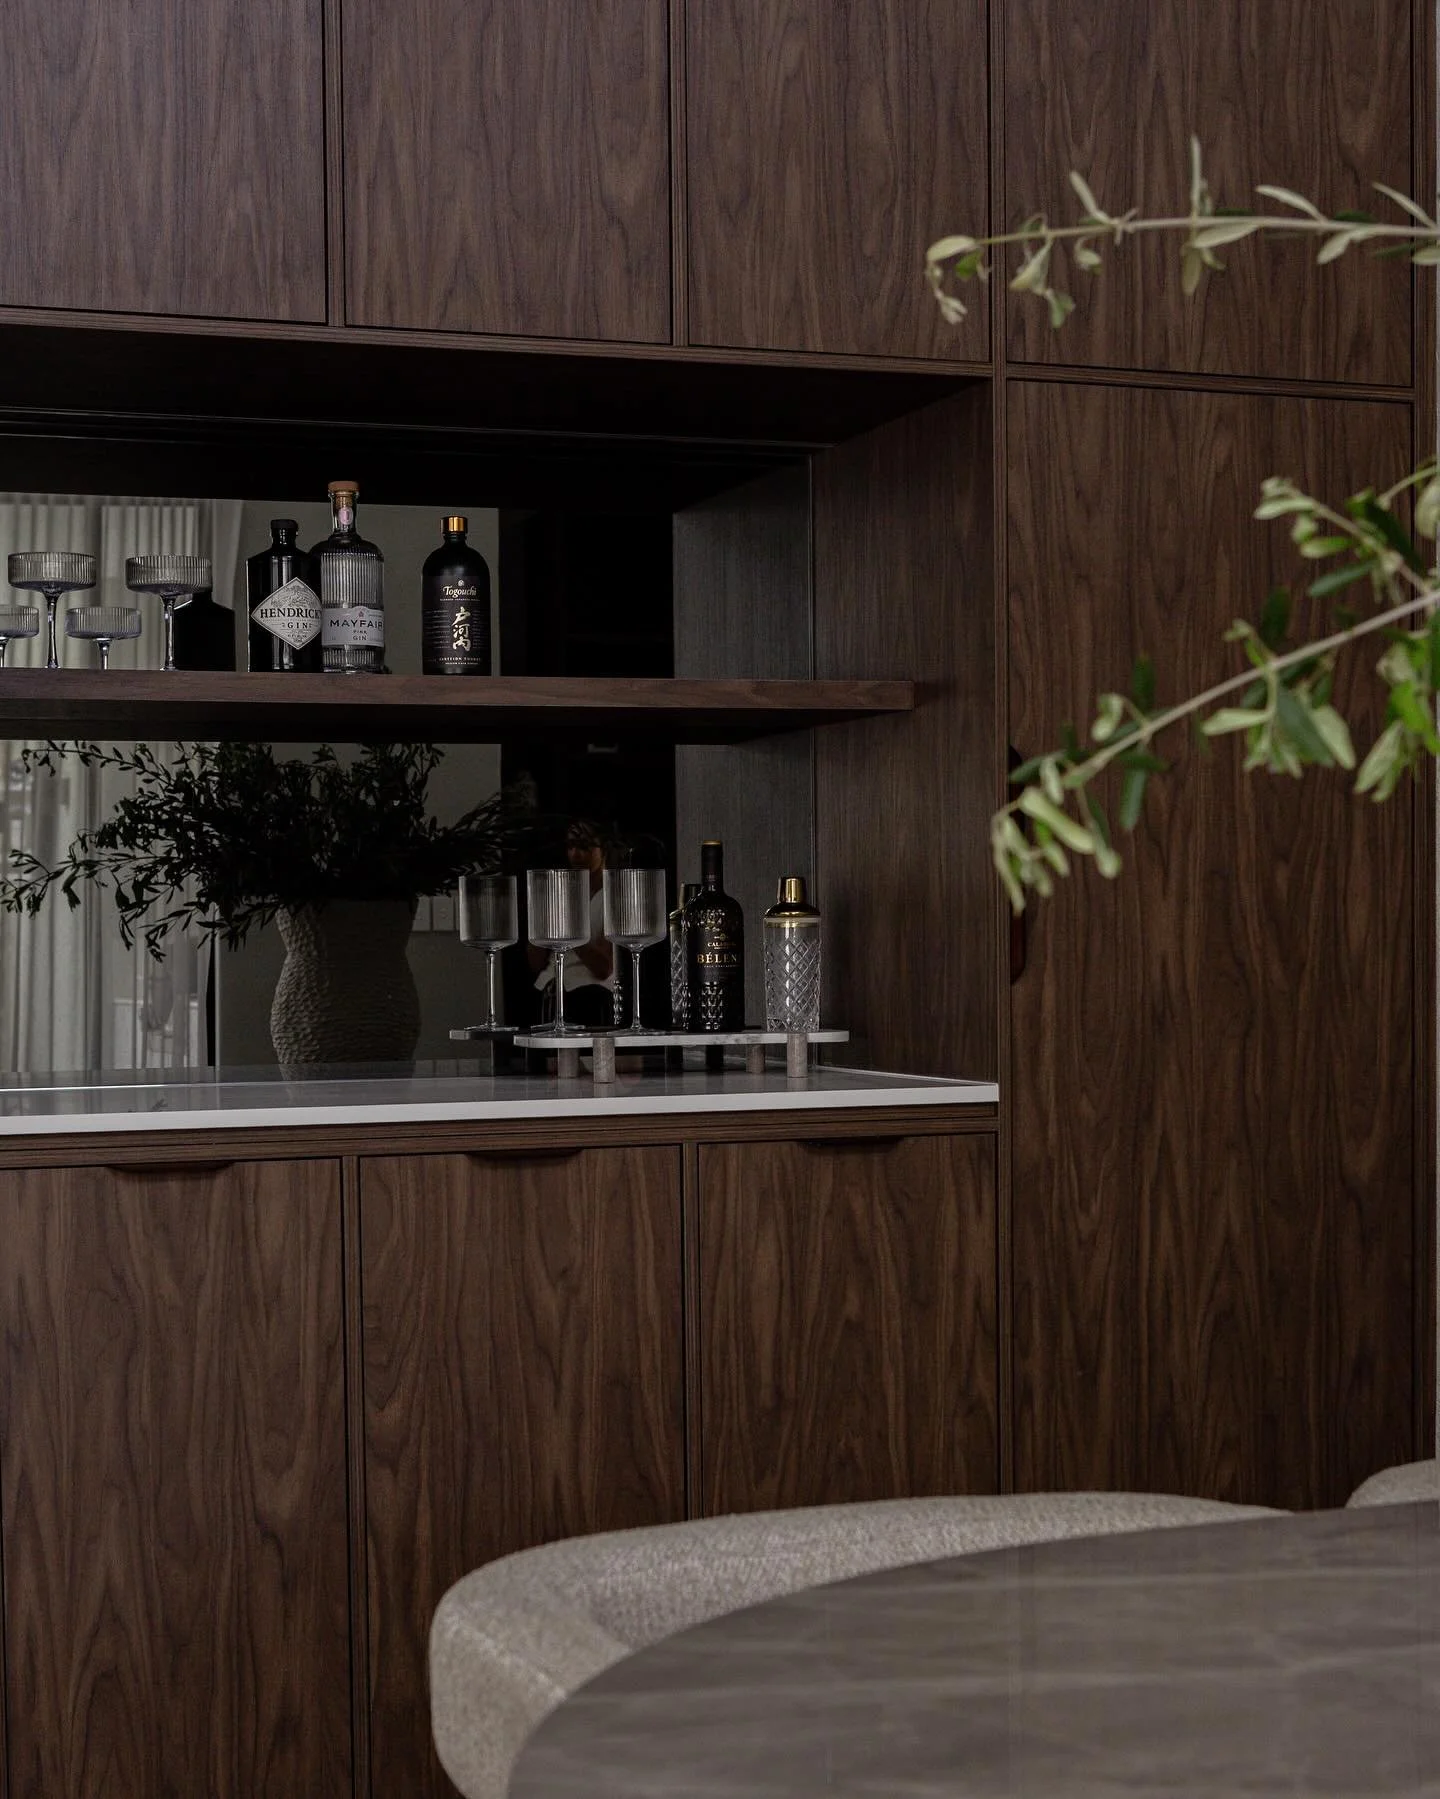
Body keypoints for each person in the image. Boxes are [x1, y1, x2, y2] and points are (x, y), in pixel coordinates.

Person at [527, 820, 617, 1029]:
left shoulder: (614, 898)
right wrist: (539, 921)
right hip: (550, 990)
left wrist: (567, 927)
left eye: (584, 847)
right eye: (570, 846)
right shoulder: (559, 892)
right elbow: (535, 963)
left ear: (603, 848)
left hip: (594, 995)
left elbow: (604, 968)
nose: (575, 854)